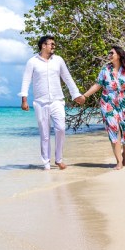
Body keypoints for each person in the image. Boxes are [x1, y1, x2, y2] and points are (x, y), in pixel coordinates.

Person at [19, 35, 82, 170]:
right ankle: (46, 162)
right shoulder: (32, 62)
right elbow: (26, 80)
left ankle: (59, 159)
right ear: (43, 45)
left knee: (61, 129)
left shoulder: (58, 60)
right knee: (45, 134)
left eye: (54, 44)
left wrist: (76, 94)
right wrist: (24, 99)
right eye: (51, 44)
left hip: (57, 101)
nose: (54, 46)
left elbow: (67, 78)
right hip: (40, 102)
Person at [78, 45, 125, 169]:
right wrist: (84, 96)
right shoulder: (105, 69)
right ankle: (119, 161)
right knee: (113, 130)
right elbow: (98, 85)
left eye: (111, 53)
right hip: (108, 102)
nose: (109, 55)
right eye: (109, 53)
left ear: (119, 55)